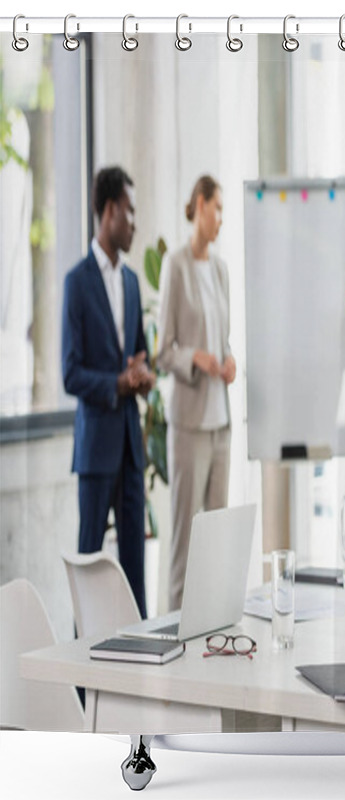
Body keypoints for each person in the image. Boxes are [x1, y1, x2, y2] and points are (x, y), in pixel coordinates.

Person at [62, 166, 155, 618]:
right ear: (111, 211)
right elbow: (70, 374)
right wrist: (117, 383)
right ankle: (81, 687)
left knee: (135, 572)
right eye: (131, 211)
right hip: (96, 447)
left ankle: (140, 679)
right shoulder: (76, 283)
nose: (135, 222)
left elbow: (141, 355)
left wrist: (144, 375)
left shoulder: (134, 282)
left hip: (130, 448)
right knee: (89, 564)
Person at [157, 175, 235, 611]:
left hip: (220, 425)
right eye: (217, 208)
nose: (221, 218)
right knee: (186, 545)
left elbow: (222, 340)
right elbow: (164, 351)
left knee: (219, 542)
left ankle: (215, 632)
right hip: (188, 426)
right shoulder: (176, 264)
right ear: (200, 206)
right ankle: (173, 633)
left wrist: (227, 360)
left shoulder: (221, 270)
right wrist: (196, 360)